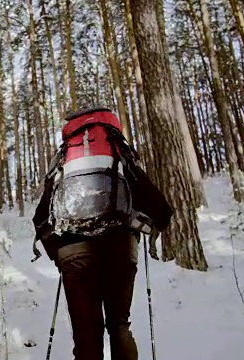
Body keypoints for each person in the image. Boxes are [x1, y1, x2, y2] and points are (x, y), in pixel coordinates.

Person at [32, 106, 172, 360]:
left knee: (86, 338)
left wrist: (60, 255)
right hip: (118, 250)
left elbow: (40, 218)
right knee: (119, 326)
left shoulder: (64, 161)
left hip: (73, 254)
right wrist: (141, 230)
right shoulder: (119, 153)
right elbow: (162, 210)